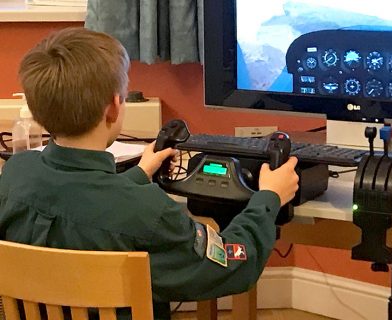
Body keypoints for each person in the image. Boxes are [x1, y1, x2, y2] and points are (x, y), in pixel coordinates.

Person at [0, 27, 299, 320]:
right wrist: (269, 198)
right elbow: (233, 264)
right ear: (114, 108)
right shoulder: (148, 212)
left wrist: (140, 173)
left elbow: (80, 202)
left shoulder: (15, 174)